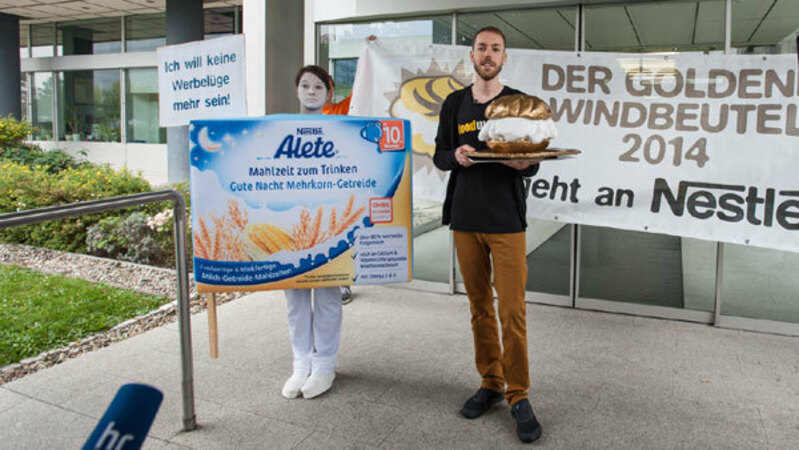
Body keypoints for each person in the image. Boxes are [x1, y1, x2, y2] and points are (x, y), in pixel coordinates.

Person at [432, 26, 543, 443]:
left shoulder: (517, 103)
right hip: (465, 218)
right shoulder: (454, 103)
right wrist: (456, 155)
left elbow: (533, 160)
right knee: (479, 308)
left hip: (506, 221)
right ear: (472, 55)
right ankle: (491, 382)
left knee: (512, 312)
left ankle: (519, 394)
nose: (488, 54)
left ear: (504, 57)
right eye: (482, 47)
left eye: (496, 48)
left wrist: (519, 162)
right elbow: (440, 154)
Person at [281, 65, 346, 399]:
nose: (311, 91)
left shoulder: (340, 131)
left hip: (329, 226)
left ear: (328, 93)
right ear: (296, 90)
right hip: (291, 226)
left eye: (318, 86)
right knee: (295, 298)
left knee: (327, 297)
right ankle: (301, 364)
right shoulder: (280, 131)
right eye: (305, 85)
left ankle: (324, 365)